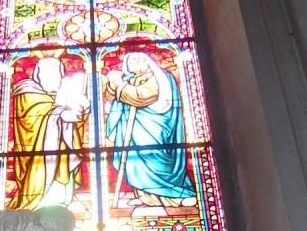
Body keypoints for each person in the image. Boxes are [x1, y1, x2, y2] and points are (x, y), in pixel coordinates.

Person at [103, 49, 194, 207]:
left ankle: (178, 195)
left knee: (156, 159)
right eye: (131, 60)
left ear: (148, 61)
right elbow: (112, 97)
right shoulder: (129, 78)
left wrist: (119, 84)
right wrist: (113, 84)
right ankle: (145, 196)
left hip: (155, 126)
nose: (135, 62)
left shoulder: (160, 77)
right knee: (135, 161)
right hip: (133, 128)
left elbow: (141, 96)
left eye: (139, 59)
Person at [10, 54, 88, 209]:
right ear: (38, 74)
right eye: (47, 73)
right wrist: (61, 114)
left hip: (62, 149)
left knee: (63, 170)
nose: (53, 77)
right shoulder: (26, 92)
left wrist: (81, 110)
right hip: (38, 153)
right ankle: (41, 201)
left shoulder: (63, 92)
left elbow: (75, 120)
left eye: (56, 74)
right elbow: (30, 118)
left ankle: (62, 198)